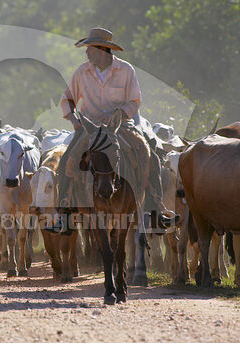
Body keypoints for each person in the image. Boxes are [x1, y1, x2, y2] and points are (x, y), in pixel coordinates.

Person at [57, 27, 174, 232]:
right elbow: (67, 100)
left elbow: (134, 101)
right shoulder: (81, 72)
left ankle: (156, 209)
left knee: (150, 154)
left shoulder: (126, 70)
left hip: (120, 126)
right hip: (91, 128)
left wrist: (118, 114)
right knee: (67, 159)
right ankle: (64, 210)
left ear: (102, 49)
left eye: (90, 49)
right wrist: (75, 121)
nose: (86, 53)